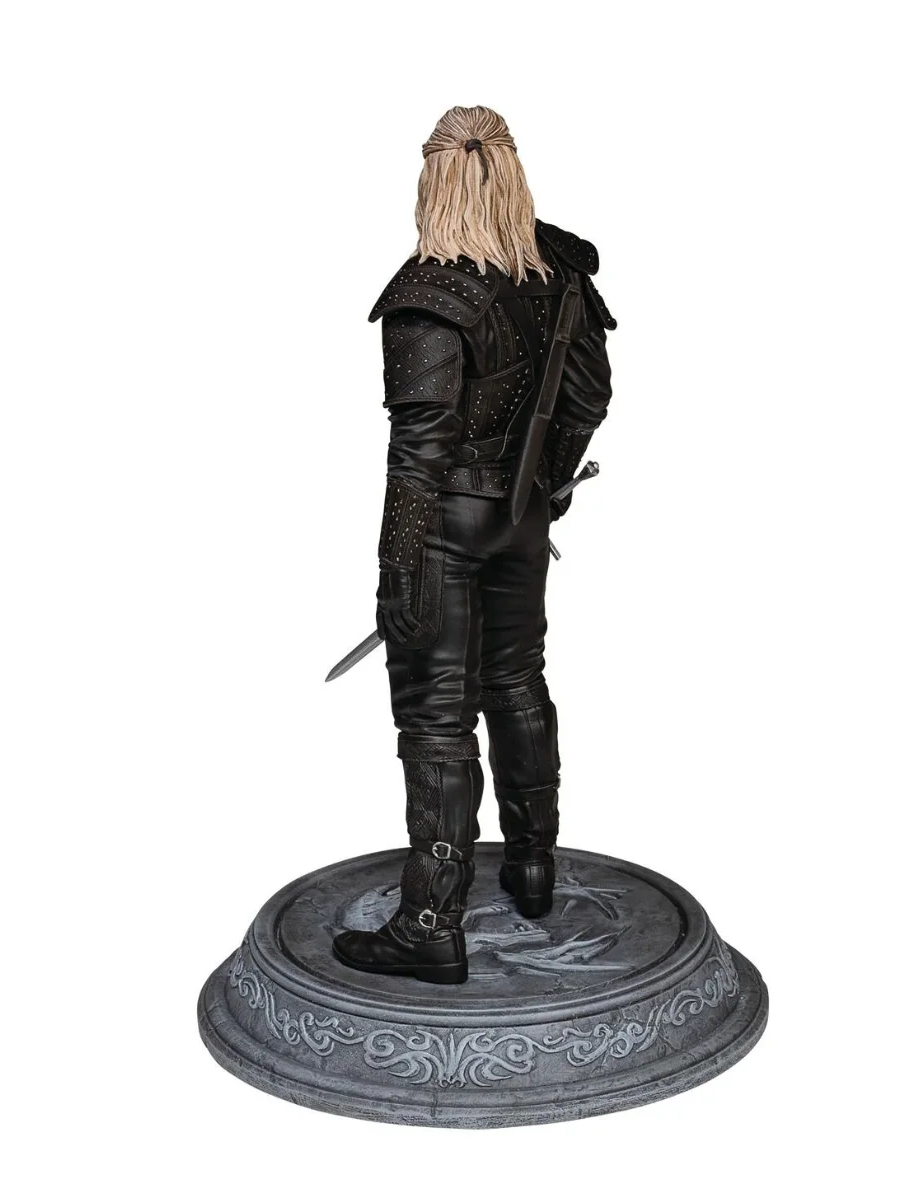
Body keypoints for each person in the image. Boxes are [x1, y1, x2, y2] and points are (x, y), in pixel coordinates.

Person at [332, 106, 617, 985]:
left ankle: (429, 924)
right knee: (517, 681)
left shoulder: (430, 293)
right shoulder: (559, 272)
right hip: (520, 519)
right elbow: (588, 399)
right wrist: (543, 492)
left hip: (444, 528)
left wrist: (397, 574)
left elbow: (417, 455)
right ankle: (532, 869)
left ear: (436, 178)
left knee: (437, 717)